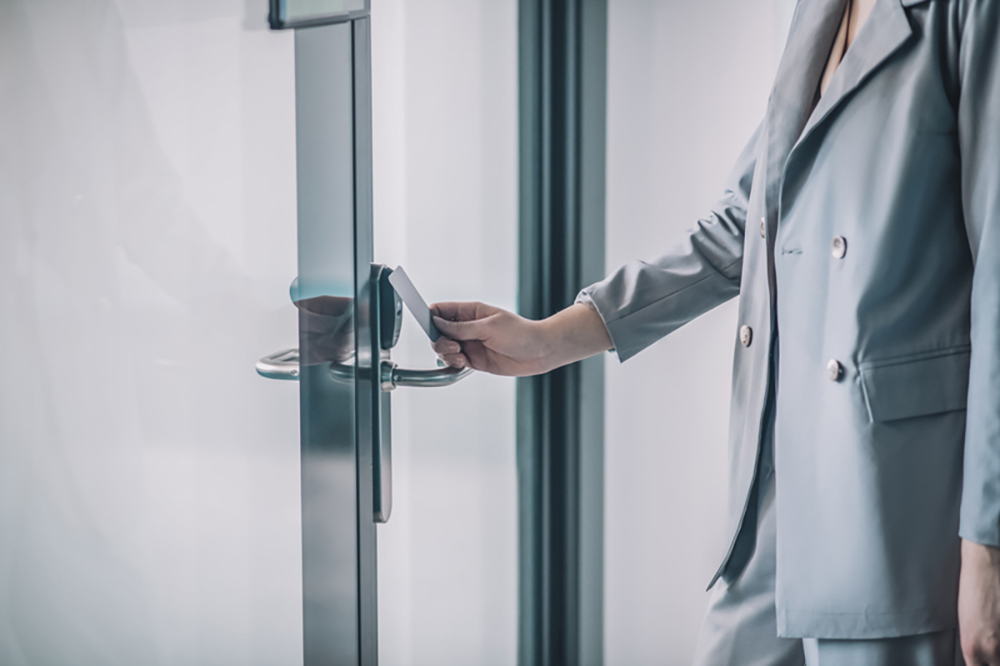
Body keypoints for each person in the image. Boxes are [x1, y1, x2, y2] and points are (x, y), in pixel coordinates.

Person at [430, 0, 1000, 663]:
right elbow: (750, 217)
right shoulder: (818, 10)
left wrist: (988, 545)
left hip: (898, 500)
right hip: (781, 491)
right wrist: (556, 336)